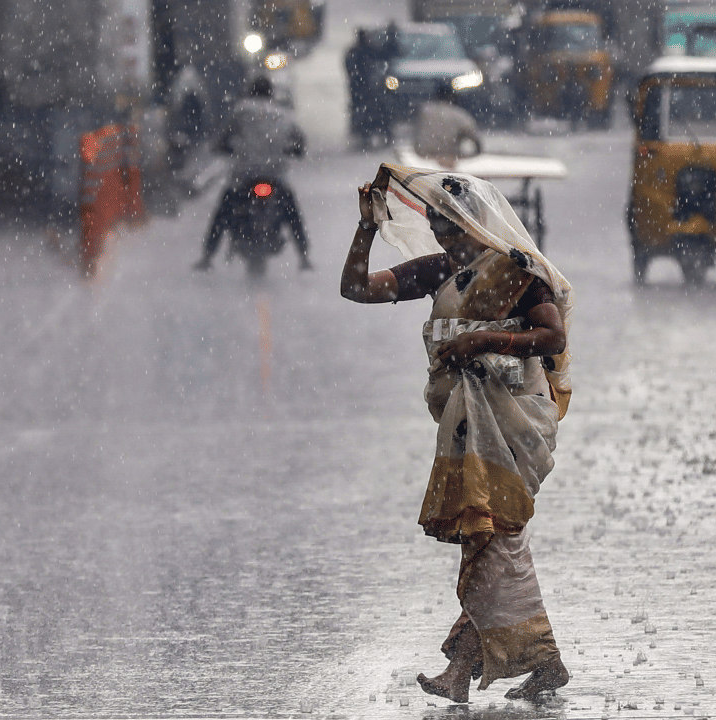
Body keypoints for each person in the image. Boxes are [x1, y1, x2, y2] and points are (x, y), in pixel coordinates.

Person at [341, 164, 574, 703]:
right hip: (467, 425)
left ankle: (465, 670)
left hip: (513, 422)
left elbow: (550, 334)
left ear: (476, 223)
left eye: (453, 226)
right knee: (489, 538)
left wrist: (485, 341)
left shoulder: (517, 271)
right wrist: (367, 228)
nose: (445, 237)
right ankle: (540, 662)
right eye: (438, 226)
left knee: (488, 536)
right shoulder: (438, 270)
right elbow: (356, 288)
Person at [194, 76, 312, 271]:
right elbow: (299, 140)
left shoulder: (241, 111)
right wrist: (294, 150)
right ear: (271, 93)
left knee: (223, 209)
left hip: (244, 174)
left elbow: (224, 137)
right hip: (275, 173)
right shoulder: (283, 113)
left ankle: (208, 255)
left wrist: (221, 147)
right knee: (291, 209)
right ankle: (304, 255)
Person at [412, 83, 482, 168]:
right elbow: (474, 136)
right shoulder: (459, 114)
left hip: (422, 157)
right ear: (452, 97)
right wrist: (476, 152)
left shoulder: (424, 110)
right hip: (448, 157)